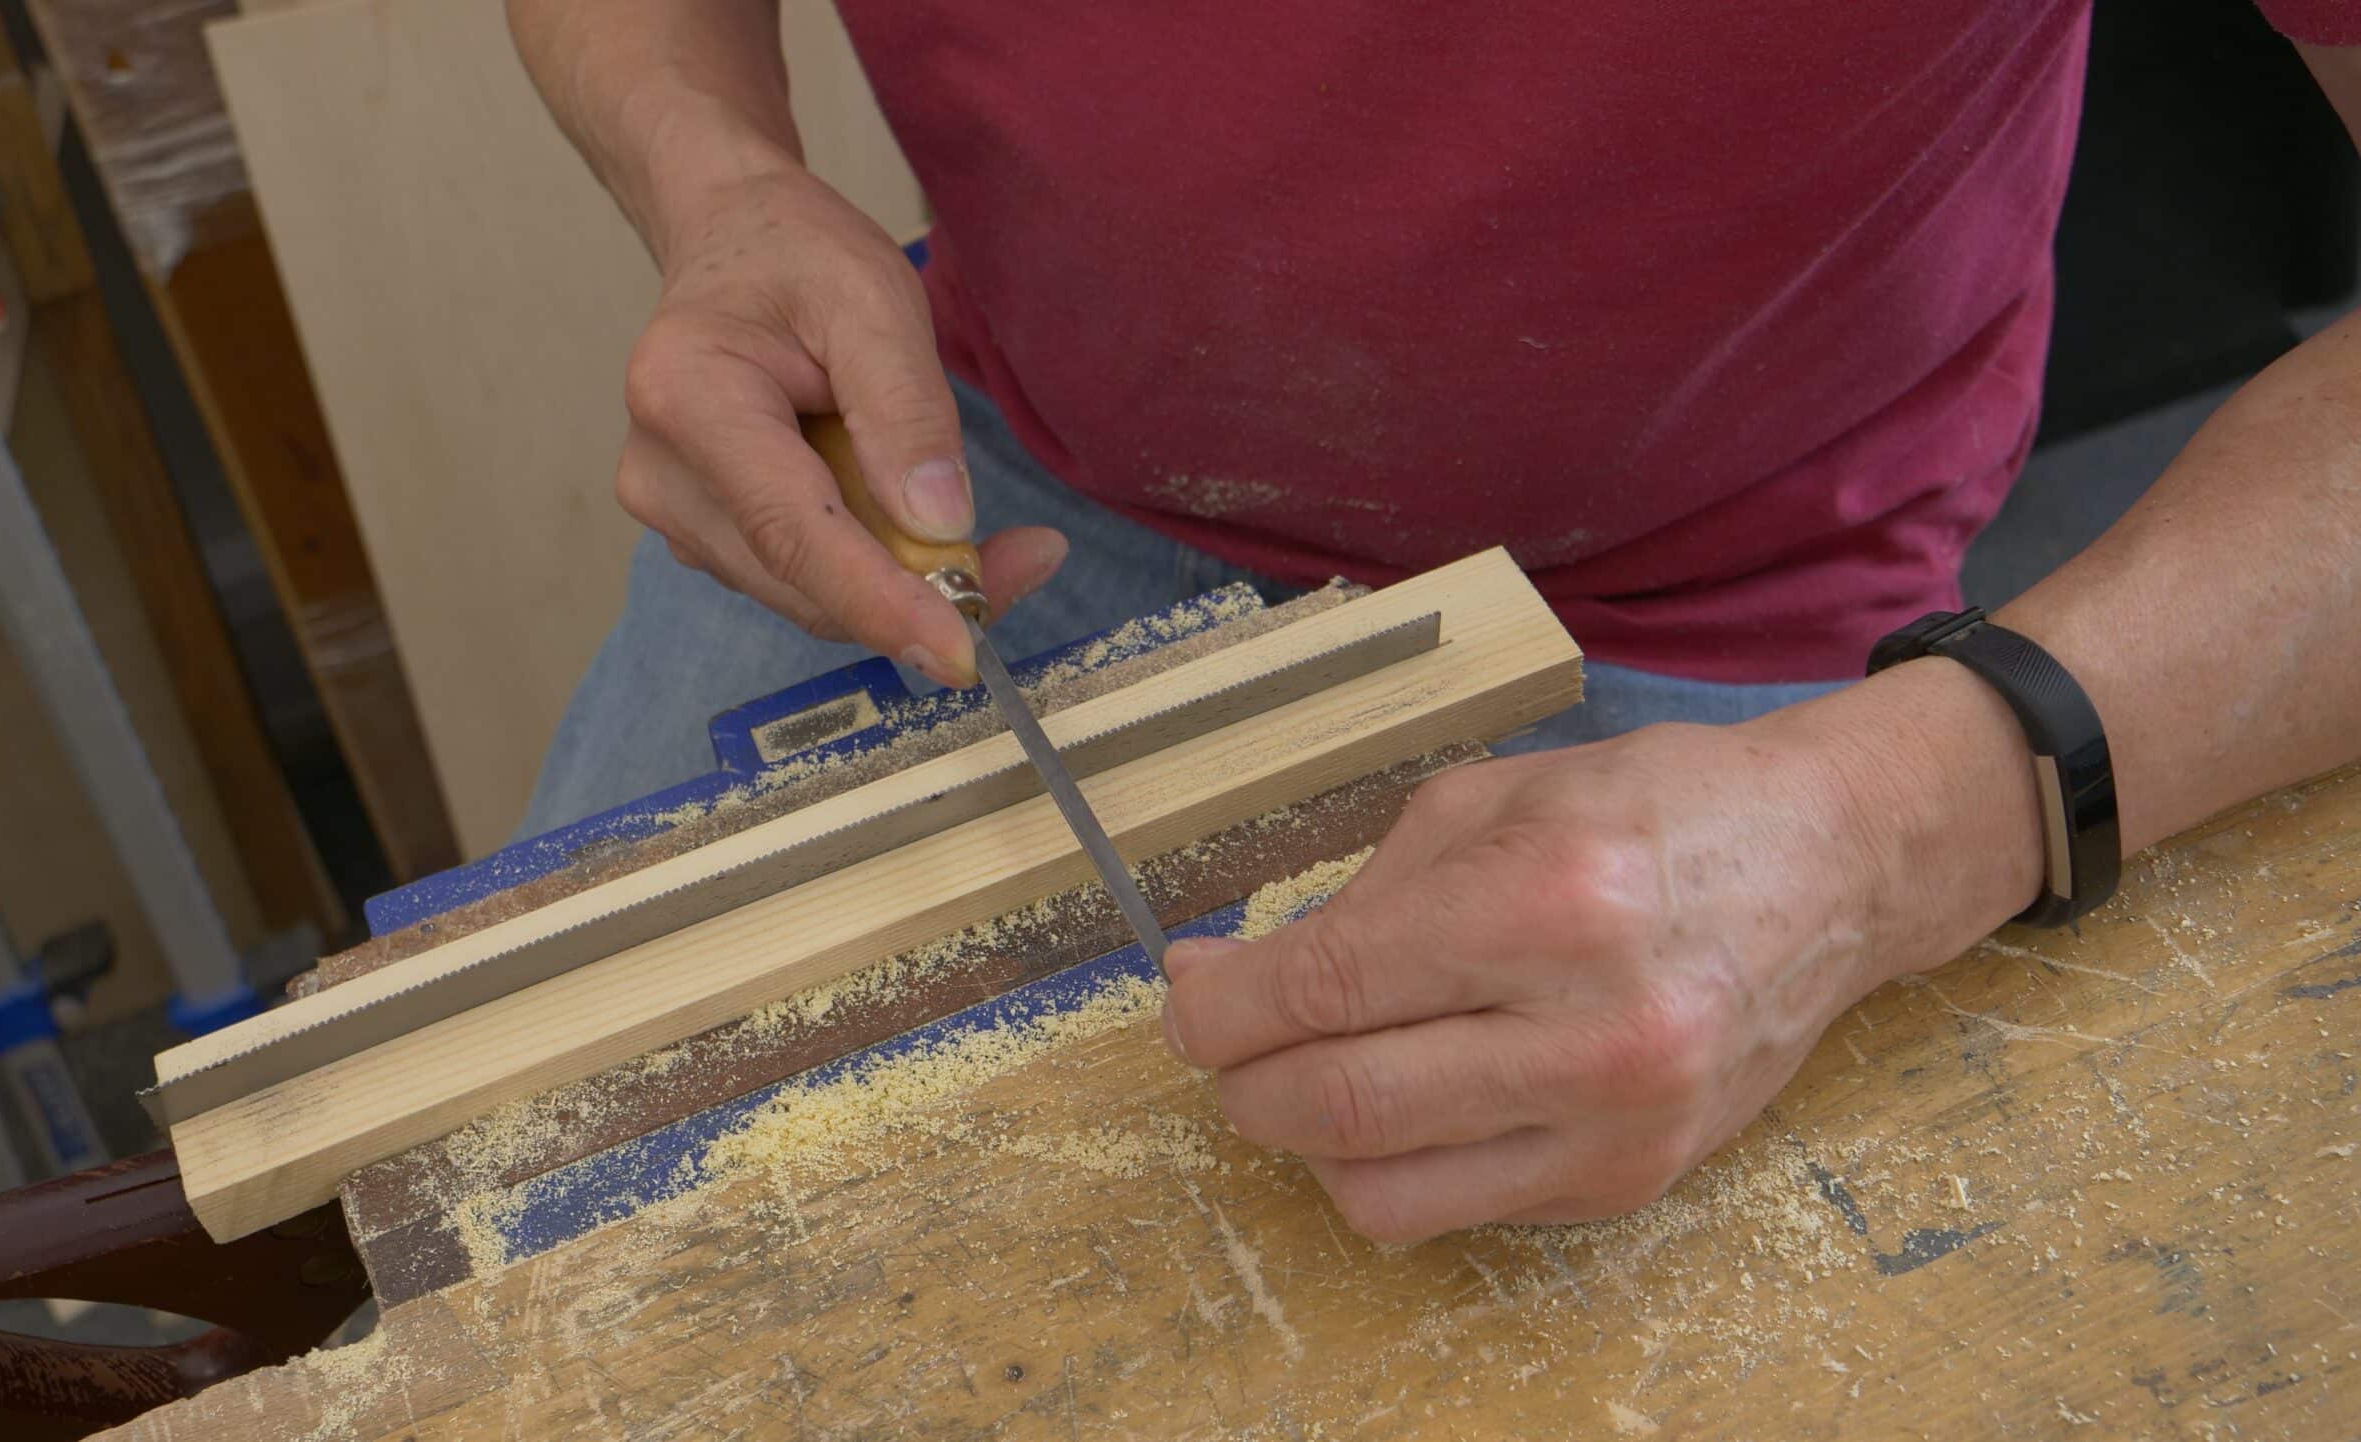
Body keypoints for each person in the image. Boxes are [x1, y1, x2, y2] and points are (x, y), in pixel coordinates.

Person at [505, 1, 2361, 1243]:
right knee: (528, 1219)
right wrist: (718, 178)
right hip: (988, 495)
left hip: (1731, 633)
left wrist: (1898, 827)